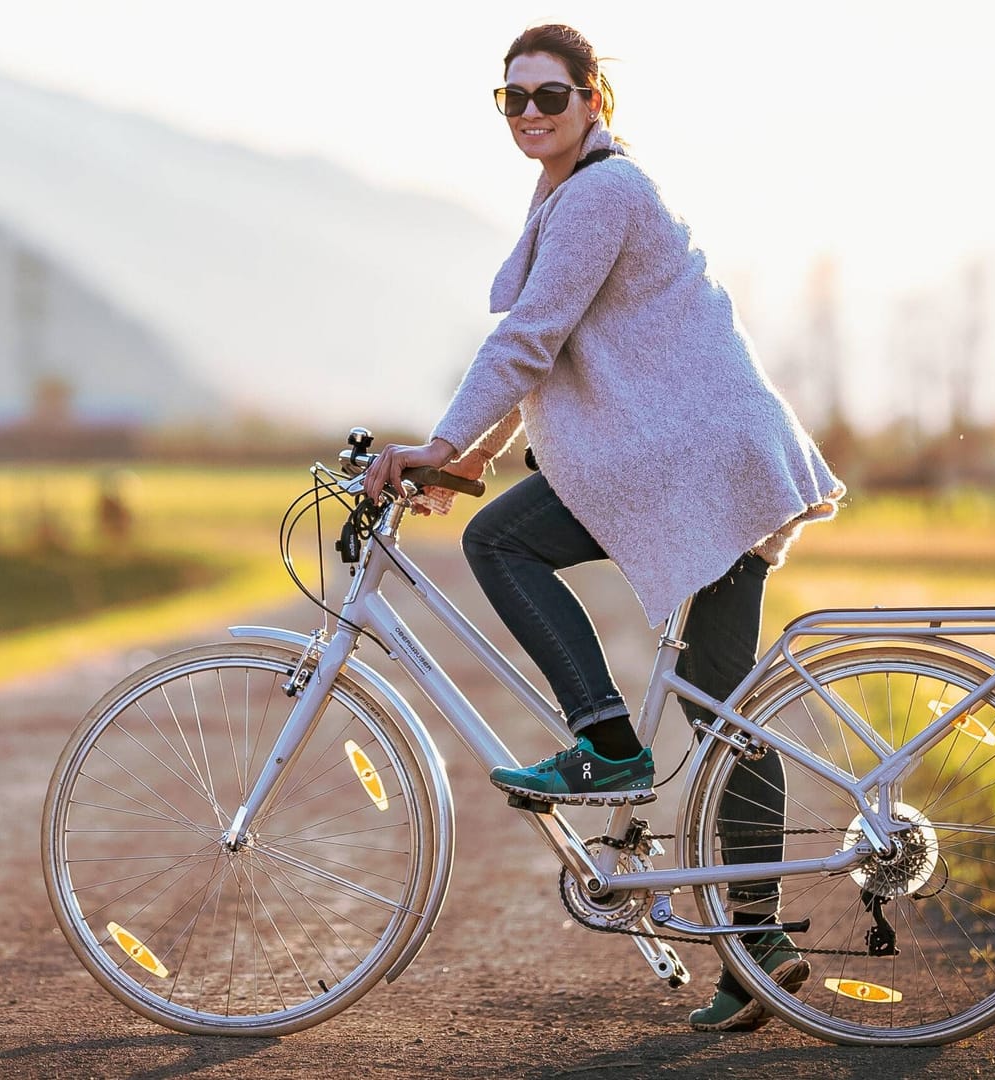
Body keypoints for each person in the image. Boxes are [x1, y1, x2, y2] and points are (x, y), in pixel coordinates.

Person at [360, 23, 844, 1033]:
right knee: (722, 714)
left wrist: (441, 446)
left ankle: (605, 746)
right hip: (706, 458)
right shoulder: (578, 195)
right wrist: (470, 456)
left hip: (697, 464)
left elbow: (528, 341)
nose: (530, 115)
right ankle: (759, 951)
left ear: (593, 101)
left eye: (549, 96)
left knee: (501, 541)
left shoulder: (601, 194)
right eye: (513, 101)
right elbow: (554, 352)